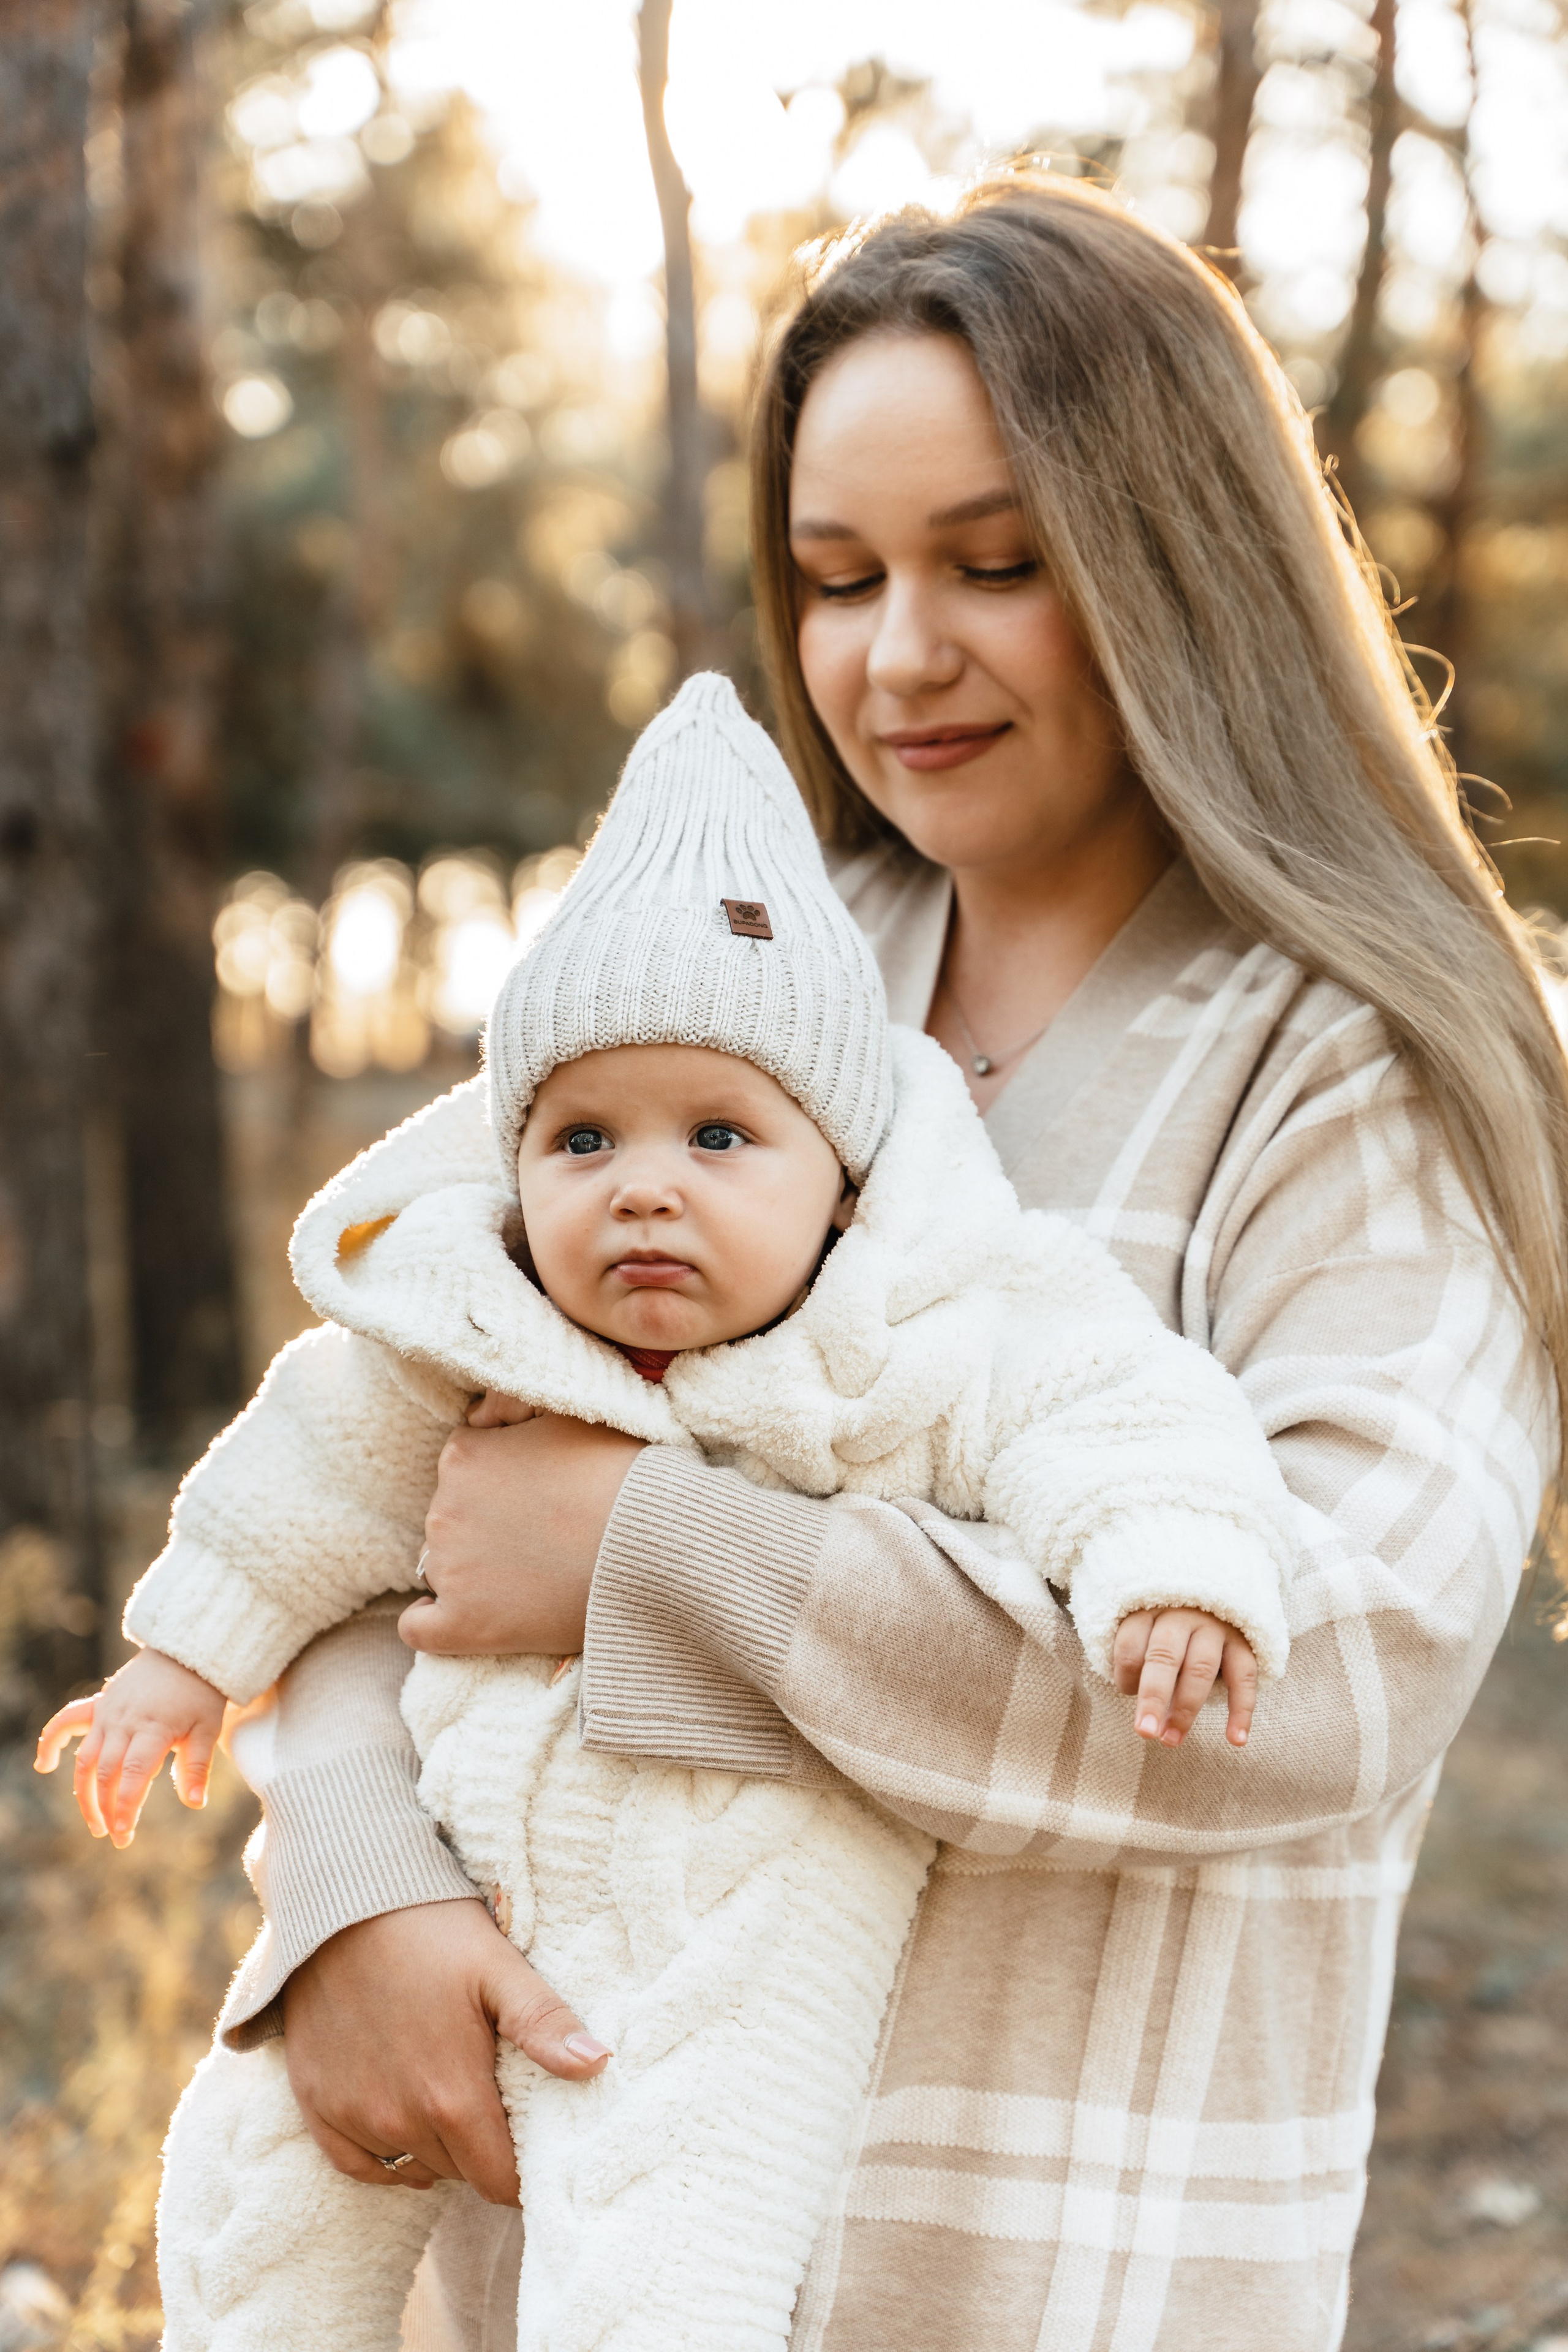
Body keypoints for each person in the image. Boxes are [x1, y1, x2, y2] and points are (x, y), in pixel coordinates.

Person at [62, 172, 1568, 2350]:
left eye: (998, 564)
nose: (893, 656)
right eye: (835, 575)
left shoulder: (1359, 1066)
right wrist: (358, 1869)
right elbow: (413, 1451)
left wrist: (674, 1560)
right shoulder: (754, 978)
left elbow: (1325, 1673)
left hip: (1033, 2267)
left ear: (1178, 564)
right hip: (556, 2222)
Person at [40, 671, 1292, 2352]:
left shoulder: (933, 1324)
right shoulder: (465, 1334)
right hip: (449, 1841)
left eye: (719, 1135)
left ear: (840, 1183)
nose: (643, 1185)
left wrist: (1173, 1573)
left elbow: (1121, 1419)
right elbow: (302, 1482)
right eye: (580, 1138)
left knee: (670, 2256)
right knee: (263, 2191)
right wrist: (181, 1660)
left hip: (740, 1895)